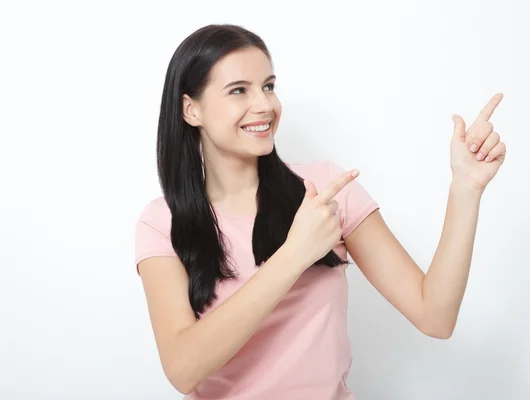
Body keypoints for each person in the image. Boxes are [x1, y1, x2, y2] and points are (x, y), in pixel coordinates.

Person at [134, 24, 506, 400]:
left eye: (268, 86)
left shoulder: (325, 192)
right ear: (190, 109)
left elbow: (435, 316)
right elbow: (182, 369)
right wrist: (294, 255)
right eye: (238, 91)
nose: (264, 104)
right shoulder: (162, 222)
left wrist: (466, 189)